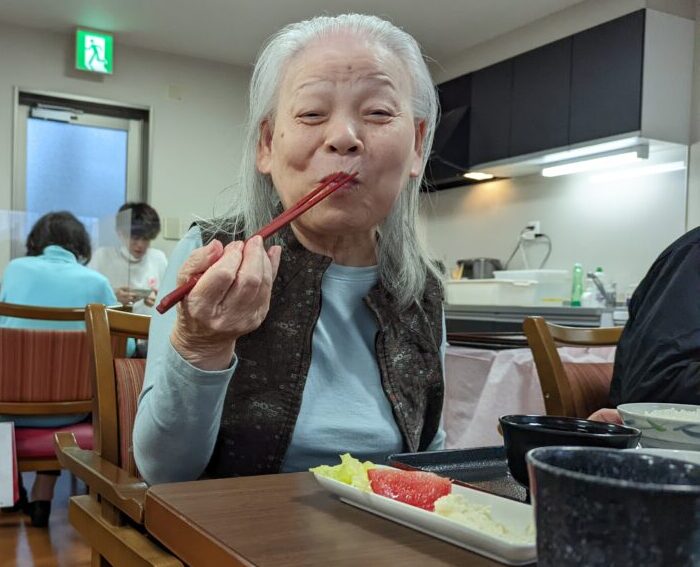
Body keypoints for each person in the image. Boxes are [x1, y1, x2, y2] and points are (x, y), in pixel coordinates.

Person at [134, 13, 446, 485]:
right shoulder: (214, 255)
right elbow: (163, 471)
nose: (343, 137)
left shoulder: (423, 287)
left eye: (379, 113)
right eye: (311, 113)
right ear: (266, 144)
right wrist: (203, 344)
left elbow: (432, 449)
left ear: (418, 145)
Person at [0, 211, 118, 527]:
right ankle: (43, 496)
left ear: (36, 242)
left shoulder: (15, 270)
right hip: (73, 413)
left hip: (8, 411)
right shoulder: (98, 282)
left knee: (24, 387)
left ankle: (10, 493)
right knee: (59, 387)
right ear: (79, 245)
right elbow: (125, 347)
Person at [89, 202, 168, 315]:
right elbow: (88, 298)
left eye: (146, 239)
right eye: (135, 238)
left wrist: (159, 300)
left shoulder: (158, 258)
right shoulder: (102, 256)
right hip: (110, 327)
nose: (140, 244)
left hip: (146, 327)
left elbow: (169, 299)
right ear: (120, 233)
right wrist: (113, 297)